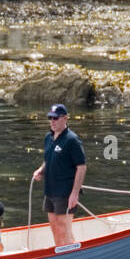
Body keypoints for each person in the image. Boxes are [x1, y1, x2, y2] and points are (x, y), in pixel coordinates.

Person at [30, 103, 86, 248]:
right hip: (50, 190)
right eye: (50, 118)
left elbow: (81, 167)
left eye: (55, 118)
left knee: (63, 226)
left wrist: (75, 193)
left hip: (65, 191)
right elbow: (49, 159)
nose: (52, 121)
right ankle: (60, 251)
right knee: (54, 225)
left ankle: (70, 254)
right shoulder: (48, 137)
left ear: (65, 118)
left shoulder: (72, 140)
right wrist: (40, 170)